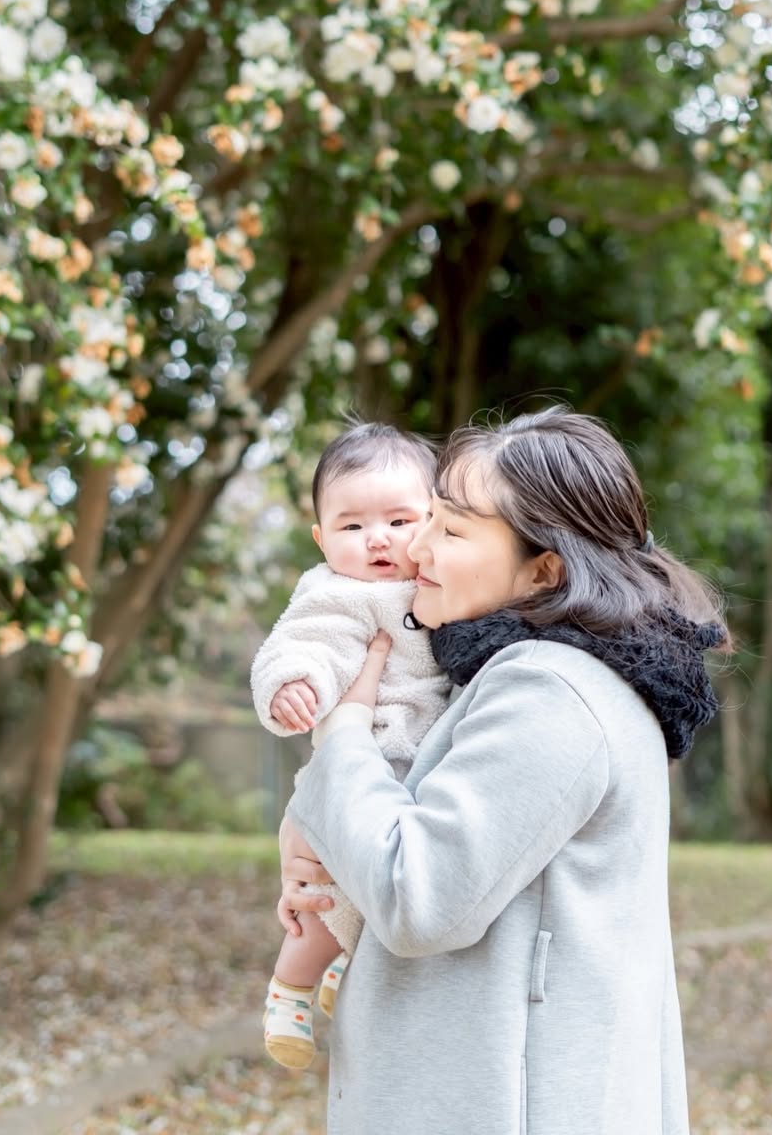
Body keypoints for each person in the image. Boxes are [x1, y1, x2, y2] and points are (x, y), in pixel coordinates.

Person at [277, 407, 727, 1133]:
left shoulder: (550, 691)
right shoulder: (518, 673)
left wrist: (343, 735)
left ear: (544, 568)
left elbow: (415, 894)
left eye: (450, 529)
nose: (413, 543)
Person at [250, 421, 452, 1069]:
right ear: (320, 538)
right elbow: (295, 645)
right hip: (353, 765)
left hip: (408, 767)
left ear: (434, 519)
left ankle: (340, 972)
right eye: (352, 527)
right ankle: (292, 987)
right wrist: (292, 685)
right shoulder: (335, 593)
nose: (378, 540)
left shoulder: (441, 587)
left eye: (399, 521)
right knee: (321, 889)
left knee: (376, 885)